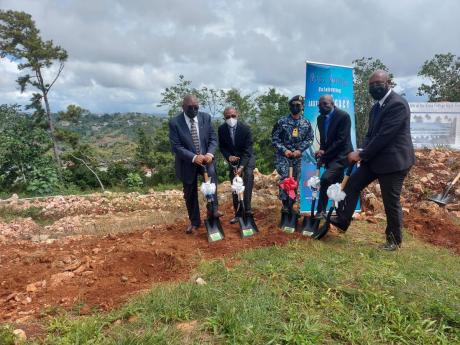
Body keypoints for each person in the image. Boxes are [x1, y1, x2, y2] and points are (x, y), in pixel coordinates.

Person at [329, 70, 415, 251]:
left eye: (378, 83)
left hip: (393, 162)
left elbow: (385, 136)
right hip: (376, 160)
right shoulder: (376, 108)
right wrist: (361, 150)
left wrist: (361, 155)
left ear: (388, 83)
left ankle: (394, 240)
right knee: (352, 185)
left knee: (390, 201)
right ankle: (343, 221)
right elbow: (370, 135)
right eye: (371, 85)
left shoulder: (398, 104)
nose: (374, 87)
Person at [169, 95, 222, 234]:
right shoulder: (175, 123)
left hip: (206, 159)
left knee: (211, 181)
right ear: (183, 107)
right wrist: (193, 157)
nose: (194, 110)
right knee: (190, 193)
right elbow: (176, 146)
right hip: (187, 162)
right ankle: (195, 222)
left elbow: (213, 139)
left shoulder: (205, 117)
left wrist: (209, 154)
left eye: (196, 107)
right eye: (190, 108)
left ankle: (213, 211)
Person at [272, 95, 314, 211]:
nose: (295, 107)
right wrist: (284, 150)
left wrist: (300, 150)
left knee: (295, 180)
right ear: (290, 107)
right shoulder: (282, 122)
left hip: (297, 157)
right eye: (293, 105)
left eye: (298, 105)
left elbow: (310, 139)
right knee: (285, 179)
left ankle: (291, 204)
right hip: (283, 157)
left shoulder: (306, 123)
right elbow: (275, 139)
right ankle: (285, 205)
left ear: (302, 106)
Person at [315, 94, 353, 216]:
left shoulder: (343, 116)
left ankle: (321, 212)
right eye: (320, 104)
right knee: (337, 183)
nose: (322, 106)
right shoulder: (320, 119)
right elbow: (323, 139)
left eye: (325, 104)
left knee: (325, 179)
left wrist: (324, 155)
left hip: (341, 155)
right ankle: (341, 213)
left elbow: (341, 141)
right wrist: (321, 151)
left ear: (332, 104)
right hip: (330, 156)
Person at [218, 107, 256, 224]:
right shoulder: (222, 129)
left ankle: (248, 210)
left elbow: (248, 150)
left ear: (237, 115)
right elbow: (222, 147)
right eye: (228, 117)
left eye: (233, 116)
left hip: (246, 158)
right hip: (233, 159)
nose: (231, 118)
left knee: (248, 176)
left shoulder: (245, 129)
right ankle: (238, 213)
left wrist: (241, 167)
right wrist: (229, 157)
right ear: (224, 117)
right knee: (235, 183)